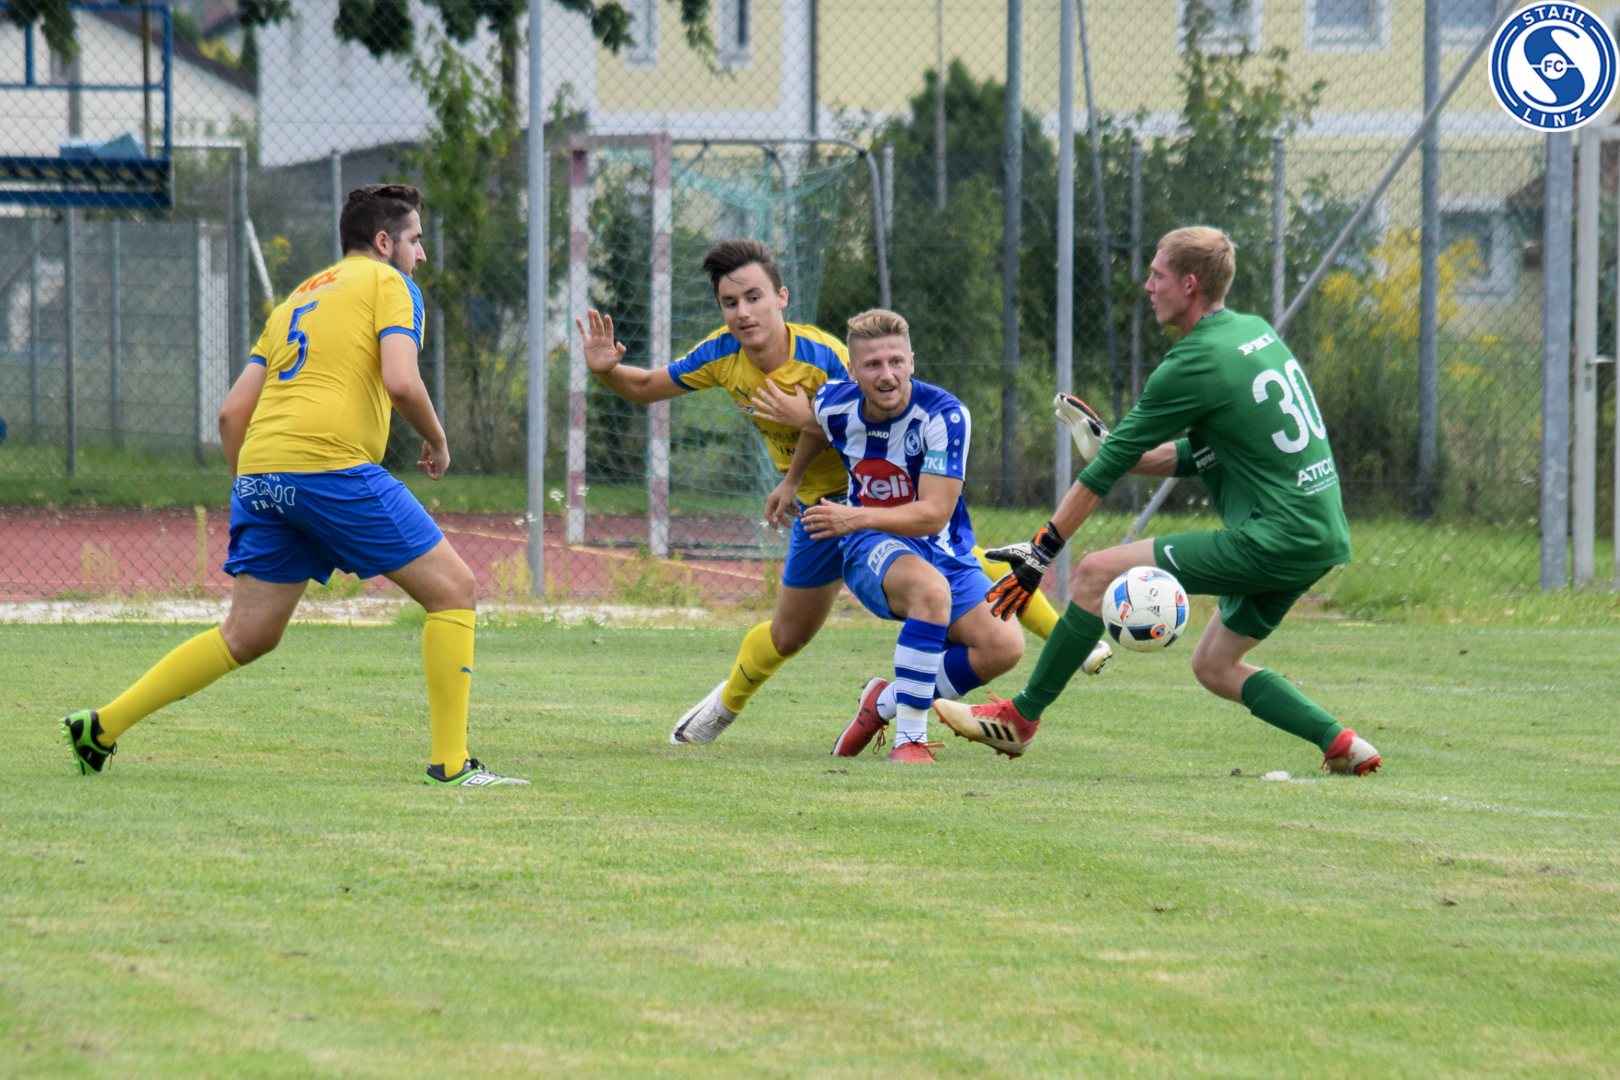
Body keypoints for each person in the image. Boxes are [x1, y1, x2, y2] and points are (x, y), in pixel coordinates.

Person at [60, 185, 527, 787]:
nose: (421, 254)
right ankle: (453, 765)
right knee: (454, 590)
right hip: (328, 466)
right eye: (415, 240)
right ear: (383, 242)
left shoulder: (296, 300)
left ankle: (100, 727)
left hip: (262, 474)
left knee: (246, 636)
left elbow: (232, 415)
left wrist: (257, 487)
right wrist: (437, 440)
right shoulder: (391, 285)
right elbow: (402, 382)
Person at [576, 240, 1073, 746]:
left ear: (781, 298)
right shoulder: (723, 353)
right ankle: (724, 707)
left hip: (875, 500)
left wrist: (806, 425)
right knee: (788, 635)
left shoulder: (828, 356)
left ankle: (1037, 649)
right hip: (819, 511)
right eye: (730, 302)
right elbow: (646, 387)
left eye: (754, 297)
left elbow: (857, 415)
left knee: (955, 569)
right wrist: (606, 370)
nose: (743, 312)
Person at [935, 226, 1380, 775]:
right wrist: (1118, 449)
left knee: (1094, 572)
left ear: (1189, 284)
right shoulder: (1252, 332)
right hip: (1319, 533)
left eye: (1157, 275)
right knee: (1215, 665)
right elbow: (1209, 450)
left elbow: (1106, 472)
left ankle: (1019, 719)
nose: (1147, 286)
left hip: (1276, 535)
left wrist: (1042, 550)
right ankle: (1343, 745)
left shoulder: (1195, 360)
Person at [770, 309, 1024, 762]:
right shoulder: (833, 401)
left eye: (895, 362)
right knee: (930, 592)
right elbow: (816, 426)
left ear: (911, 362)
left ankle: (884, 702)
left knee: (1003, 646)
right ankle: (910, 742)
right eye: (872, 365)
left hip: (937, 545)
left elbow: (934, 515)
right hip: (870, 544)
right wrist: (791, 481)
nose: (886, 375)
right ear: (852, 372)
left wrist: (853, 516)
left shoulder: (945, 415)